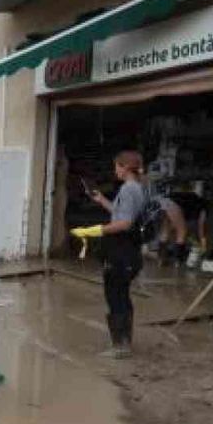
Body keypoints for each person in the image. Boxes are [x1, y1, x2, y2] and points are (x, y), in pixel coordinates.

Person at [72, 149, 149, 359]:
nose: (115, 171)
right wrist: (102, 200)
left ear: (124, 168)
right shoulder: (137, 188)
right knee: (121, 294)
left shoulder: (128, 190)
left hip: (122, 252)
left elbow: (124, 223)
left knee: (115, 295)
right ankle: (124, 342)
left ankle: (120, 346)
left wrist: (94, 230)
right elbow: (120, 214)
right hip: (130, 253)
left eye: (117, 166)